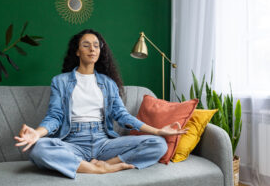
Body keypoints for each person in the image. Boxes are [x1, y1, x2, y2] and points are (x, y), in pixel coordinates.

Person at [14, 29, 188, 179]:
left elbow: (122, 116)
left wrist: (158, 131)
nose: (92, 49)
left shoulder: (108, 83)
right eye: (86, 45)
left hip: (103, 142)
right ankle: (96, 169)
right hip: (73, 142)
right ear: (77, 51)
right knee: (37, 149)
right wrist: (36, 134)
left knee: (158, 144)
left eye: (96, 45)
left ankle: (107, 164)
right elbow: (55, 117)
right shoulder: (60, 82)